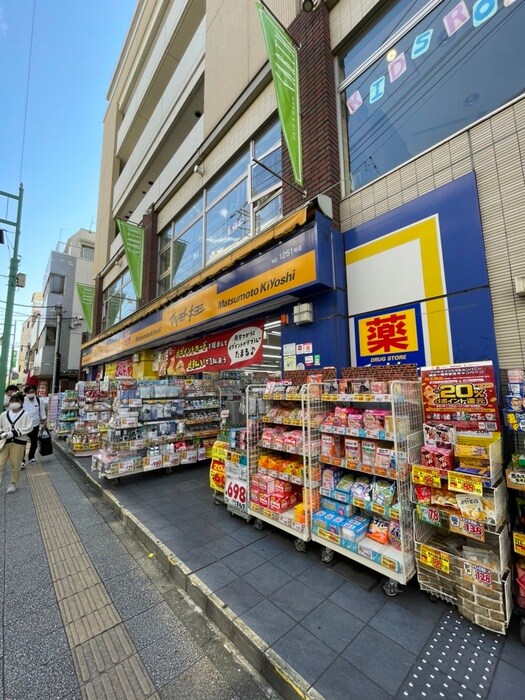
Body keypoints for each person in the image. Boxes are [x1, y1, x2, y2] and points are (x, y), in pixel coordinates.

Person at [0, 392, 33, 493]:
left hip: (19, 442)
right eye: (12, 401)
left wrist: (13, 433)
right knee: (0, 462)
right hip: (4, 442)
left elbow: (29, 427)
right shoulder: (4, 414)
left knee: (16, 463)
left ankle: (13, 483)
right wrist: (2, 433)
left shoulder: (26, 414)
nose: (14, 403)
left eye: (16, 401)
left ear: (21, 402)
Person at [22, 385, 47, 467]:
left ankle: (31, 457)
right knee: (23, 443)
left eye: (32, 392)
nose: (31, 394)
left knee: (34, 442)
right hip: (24, 425)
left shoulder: (39, 400)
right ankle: (21, 460)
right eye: (29, 392)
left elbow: (42, 412)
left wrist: (44, 422)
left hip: (35, 425)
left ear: (35, 392)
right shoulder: (22, 400)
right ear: (25, 393)